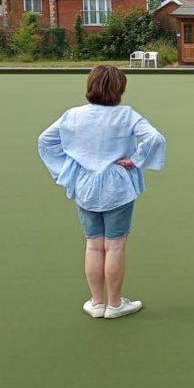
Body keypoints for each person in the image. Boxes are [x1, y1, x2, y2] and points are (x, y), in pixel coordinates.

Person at [38, 65, 166, 319]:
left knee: (94, 245)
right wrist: (136, 160)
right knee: (115, 246)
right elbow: (155, 138)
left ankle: (96, 303)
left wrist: (67, 166)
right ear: (120, 89)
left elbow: (45, 141)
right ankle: (115, 304)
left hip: (85, 184)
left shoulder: (73, 115)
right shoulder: (126, 115)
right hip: (117, 186)